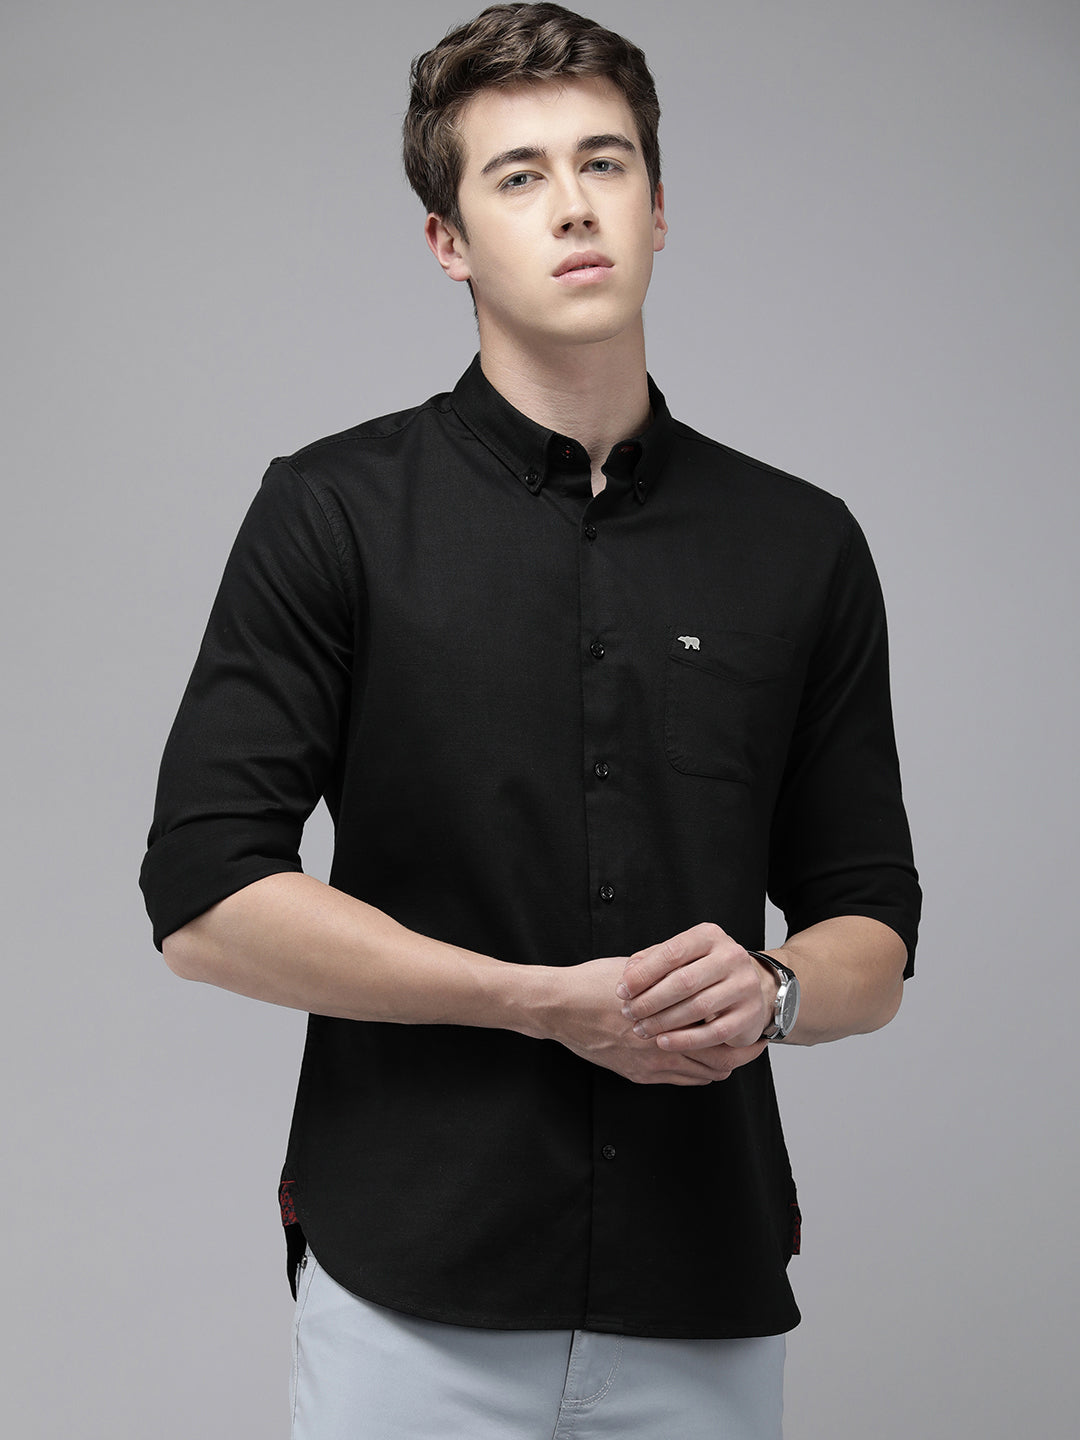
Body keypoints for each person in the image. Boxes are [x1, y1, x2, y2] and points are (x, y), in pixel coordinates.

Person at [140, 5, 920, 1436]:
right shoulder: (333, 513)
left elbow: (872, 926)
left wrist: (775, 990)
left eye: (605, 162)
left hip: (705, 1287)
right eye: (519, 175)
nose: (572, 205)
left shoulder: (802, 545)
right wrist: (533, 1000)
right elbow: (204, 898)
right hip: (407, 1294)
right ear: (449, 240)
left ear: (659, 208)